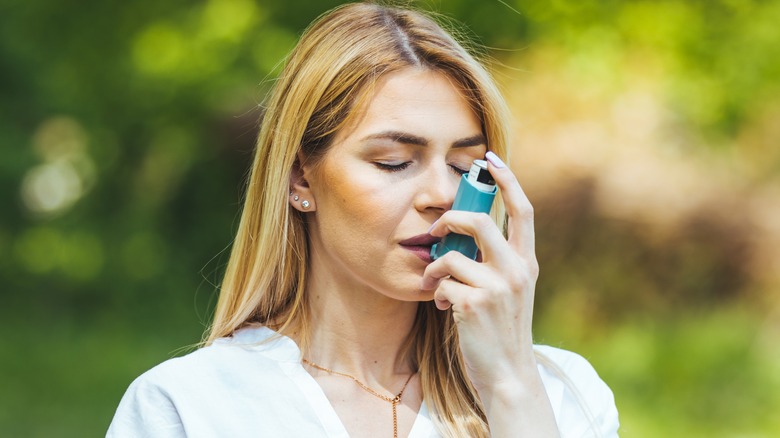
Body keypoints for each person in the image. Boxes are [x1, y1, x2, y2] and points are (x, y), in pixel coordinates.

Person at [107, 2, 619, 437]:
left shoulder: (561, 393)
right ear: (299, 180)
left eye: (466, 168)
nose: (442, 194)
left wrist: (510, 384)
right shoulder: (187, 407)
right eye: (394, 162)